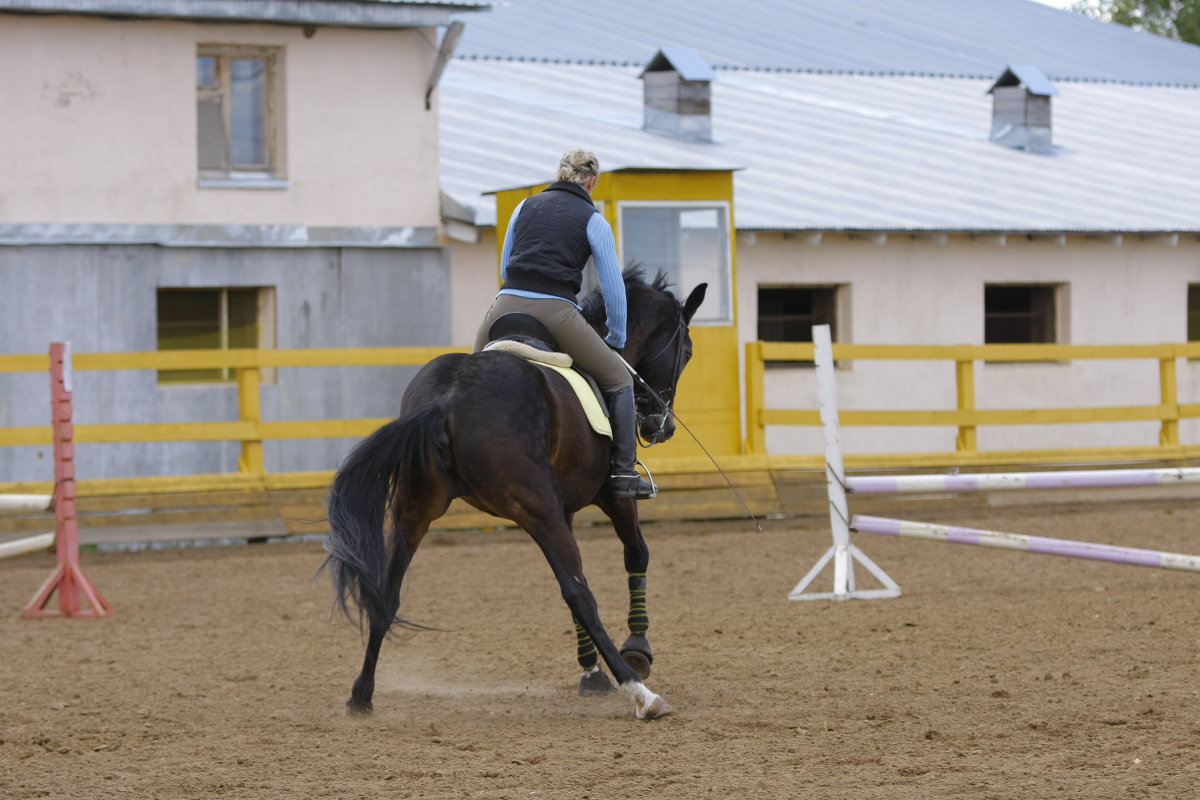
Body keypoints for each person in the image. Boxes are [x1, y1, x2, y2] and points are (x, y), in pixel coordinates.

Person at [473, 148, 655, 499]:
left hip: (503, 306)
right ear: (591, 182)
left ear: (558, 174)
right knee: (618, 379)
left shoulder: (523, 207)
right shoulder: (593, 219)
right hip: (557, 313)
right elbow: (613, 290)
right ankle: (622, 474)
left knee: (469, 373)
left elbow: (504, 266)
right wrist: (616, 337)